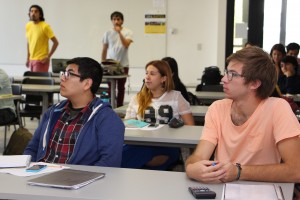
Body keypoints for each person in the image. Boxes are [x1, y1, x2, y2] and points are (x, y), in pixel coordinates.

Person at [185, 46, 300, 184]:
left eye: (232, 74)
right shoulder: (217, 108)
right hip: (221, 188)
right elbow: (198, 156)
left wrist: (238, 172)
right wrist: (191, 169)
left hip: (262, 190)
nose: (223, 79)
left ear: (254, 83)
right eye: (226, 72)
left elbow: (296, 171)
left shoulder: (277, 108)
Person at [24, 57, 125, 167]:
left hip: (78, 180)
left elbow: (109, 163)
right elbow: (32, 149)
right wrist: (29, 170)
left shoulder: (107, 119)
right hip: (40, 176)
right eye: (63, 73)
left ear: (86, 84)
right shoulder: (53, 112)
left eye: (69, 74)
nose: (62, 78)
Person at [122, 60, 194, 170]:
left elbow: (190, 127)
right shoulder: (137, 98)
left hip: (167, 145)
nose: (147, 77)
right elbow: (127, 123)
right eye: (146, 73)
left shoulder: (176, 97)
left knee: (136, 155)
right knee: (132, 152)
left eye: (152, 74)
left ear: (163, 78)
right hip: (142, 143)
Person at [101, 11, 133, 107]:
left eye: (118, 19)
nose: (116, 21)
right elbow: (104, 49)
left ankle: (119, 107)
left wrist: (119, 32)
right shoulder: (107, 33)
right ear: (112, 21)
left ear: (122, 21)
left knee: (121, 88)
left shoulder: (128, 32)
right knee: (111, 88)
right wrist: (103, 63)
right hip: (110, 66)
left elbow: (126, 44)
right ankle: (110, 106)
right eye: (114, 19)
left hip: (123, 64)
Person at [26, 5, 59, 72]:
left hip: (41, 60)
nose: (33, 13)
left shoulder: (45, 26)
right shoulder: (28, 25)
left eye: (36, 11)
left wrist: (48, 57)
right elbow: (29, 42)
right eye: (31, 11)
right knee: (31, 82)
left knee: (37, 82)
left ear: (40, 14)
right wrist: (28, 58)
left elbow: (56, 42)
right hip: (31, 60)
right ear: (29, 14)